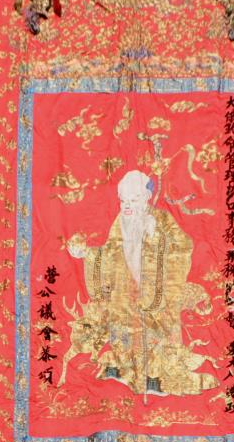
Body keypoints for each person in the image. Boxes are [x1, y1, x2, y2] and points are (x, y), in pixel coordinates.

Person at [66, 170, 218, 397]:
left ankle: (156, 377)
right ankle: (123, 370)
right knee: (123, 328)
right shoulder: (120, 223)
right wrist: (88, 254)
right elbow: (109, 254)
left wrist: (156, 234)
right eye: (123, 200)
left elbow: (183, 246)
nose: (127, 205)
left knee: (157, 335)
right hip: (126, 291)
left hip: (156, 292)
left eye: (133, 199)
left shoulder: (162, 219)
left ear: (146, 198)